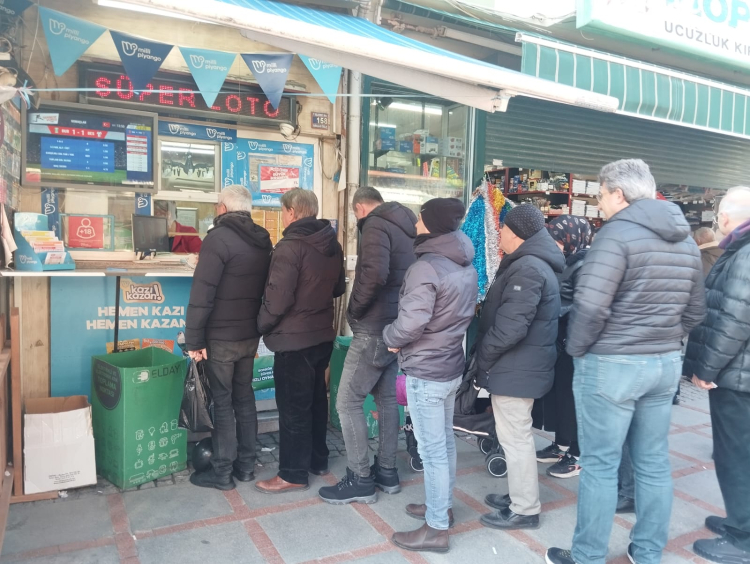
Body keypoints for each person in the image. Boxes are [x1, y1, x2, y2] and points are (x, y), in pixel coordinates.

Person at [546, 159, 705, 564]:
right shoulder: (685, 239)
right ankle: (647, 553)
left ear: (618, 194)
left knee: (600, 465)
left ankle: (587, 556)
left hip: (612, 363)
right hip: (664, 362)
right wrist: (664, 339)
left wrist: (577, 349)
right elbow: (695, 311)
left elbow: (590, 306)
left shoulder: (615, 235)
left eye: (601, 195)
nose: (599, 203)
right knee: (653, 462)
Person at [382, 198, 477, 553]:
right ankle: (442, 507)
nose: (416, 224)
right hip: (449, 366)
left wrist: (390, 337)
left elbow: (411, 324)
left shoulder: (427, 267)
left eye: (420, 218)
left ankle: (436, 529)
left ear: (431, 224)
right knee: (445, 444)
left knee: (432, 450)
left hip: (426, 370)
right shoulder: (463, 262)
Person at [319, 187, 416, 504]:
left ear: (359, 207)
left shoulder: (375, 223)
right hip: (395, 326)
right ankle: (387, 471)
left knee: (347, 401)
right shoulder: (407, 225)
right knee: (387, 400)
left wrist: (354, 310)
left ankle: (360, 478)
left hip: (373, 327)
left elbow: (374, 273)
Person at [475, 204, 564, 530]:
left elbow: (511, 328)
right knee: (514, 436)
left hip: (516, 368)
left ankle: (525, 509)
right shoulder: (529, 263)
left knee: (516, 438)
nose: (499, 234)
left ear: (517, 234)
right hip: (519, 366)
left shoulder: (528, 268)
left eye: (503, 229)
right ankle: (518, 496)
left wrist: (483, 356)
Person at [255, 189, 346, 494]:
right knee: (316, 401)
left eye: (283, 211)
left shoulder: (289, 247)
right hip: (321, 336)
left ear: (292, 212)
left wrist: (260, 325)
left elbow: (277, 300)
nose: (283, 216)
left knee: (293, 408)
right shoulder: (332, 244)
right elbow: (338, 289)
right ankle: (318, 460)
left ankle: (293, 473)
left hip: (294, 341)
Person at [185, 185, 272, 490]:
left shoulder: (217, 238)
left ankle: (222, 472)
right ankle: (246, 466)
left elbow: (202, 293)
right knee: (244, 397)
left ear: (222, 208)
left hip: (221, 338)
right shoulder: (263, 240)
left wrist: (194, 340)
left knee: (222, 402)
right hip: (248, 335)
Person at [684, 186, 750, 564]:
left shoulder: (744, 251)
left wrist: (706, 368)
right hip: (740, 372)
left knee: (735, 455)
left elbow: (734, 318)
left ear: (725, 217)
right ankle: (740, 521)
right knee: (739, 452)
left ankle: (743, 538)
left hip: (737, 376)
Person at [533, 215, 592, 479]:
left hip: (576, 341)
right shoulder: (566, 260)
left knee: (575, 399)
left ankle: (578, 455)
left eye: (558, 239)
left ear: (572, 238)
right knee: (561, 397)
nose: (553, 244)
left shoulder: (586, 264)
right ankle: (562, 444)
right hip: (561, 338)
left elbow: (582, 305)